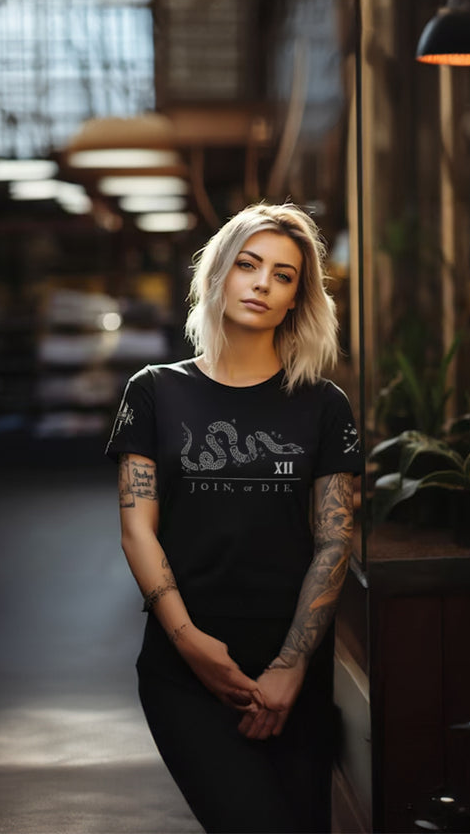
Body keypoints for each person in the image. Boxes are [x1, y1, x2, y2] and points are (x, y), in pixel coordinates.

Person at [107, 202, 362, 834]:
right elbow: (137, 527)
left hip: (293, 667)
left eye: (283, 275)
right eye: (248, 265)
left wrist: (292, 664)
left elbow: (335, 541)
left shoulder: (324, 405)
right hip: (183, 670)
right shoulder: (154, 391)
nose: (261, 284)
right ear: (218, 273)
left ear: (297, 298)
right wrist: (190, 644)